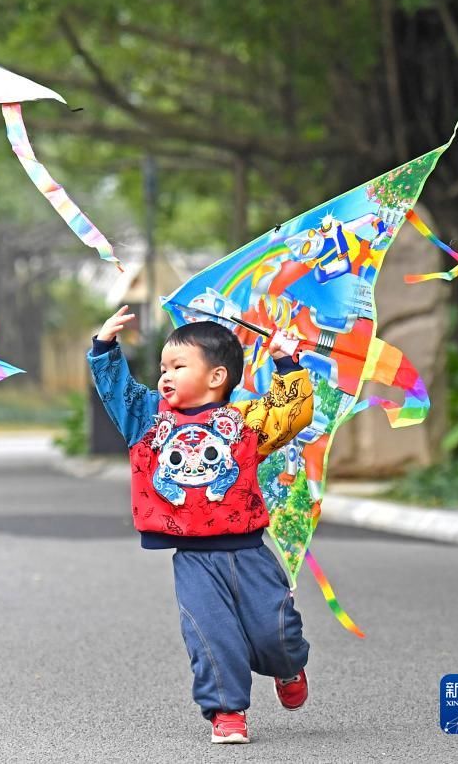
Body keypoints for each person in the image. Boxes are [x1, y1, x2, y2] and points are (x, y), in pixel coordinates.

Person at [87, 306, 314, 744]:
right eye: (162, 368)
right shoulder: (149, 420)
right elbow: (118, 392)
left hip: (248, 551)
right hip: (193, 558)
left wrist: (287, 363)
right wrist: (105, 349)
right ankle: (226, 711)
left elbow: (291, 413)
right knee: (209, 634)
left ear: (217, 377)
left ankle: (288, 666)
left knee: (277, 629)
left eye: (178, 366)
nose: (164, 376)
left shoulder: (245, 422)